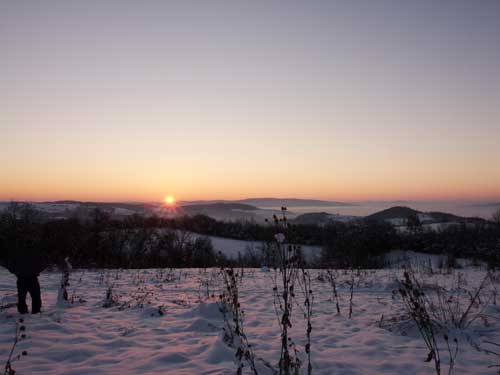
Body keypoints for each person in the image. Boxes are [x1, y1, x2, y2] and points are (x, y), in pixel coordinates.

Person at [0, 203, 46, 314]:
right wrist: (36, 270)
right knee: (35, 297)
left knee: (22, 298)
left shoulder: (18, 251)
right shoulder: (35, 252)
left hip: (21, 278)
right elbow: (43, 263)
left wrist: (14, 270)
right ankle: (36, 313)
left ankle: (24, 313)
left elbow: (9, 263)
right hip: (31, 278)